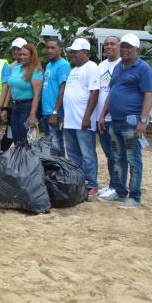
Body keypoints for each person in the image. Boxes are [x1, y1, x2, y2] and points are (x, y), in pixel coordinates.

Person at [98, 34, 152, 209]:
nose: (124, 50)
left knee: (133, 159)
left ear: (137, 50)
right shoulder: (118, 67)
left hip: (132, 122)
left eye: (129, 47)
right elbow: (111, 92)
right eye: (123, 46)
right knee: (118, 158)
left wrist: (143, 121)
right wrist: (102, 115)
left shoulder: (143, 68)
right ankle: (121, 193)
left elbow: (148, 95)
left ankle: (135, 197)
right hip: (115, 121)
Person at [61, 38, 100, 196]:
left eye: (76, 52)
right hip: (70, 120)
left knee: (87, 153)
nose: (73, 55)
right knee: (73, 153)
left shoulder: (91, 67)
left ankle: (92, 184)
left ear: (85, 52)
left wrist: (87, 117)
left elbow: (94, 92)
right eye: (72, 52)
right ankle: (78, 181)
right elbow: (68, 95)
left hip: (82, 120)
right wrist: (64, 116)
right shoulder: (73, 70)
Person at [95, 36, 122, 197]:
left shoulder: (121, 65)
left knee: (116, 154)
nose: (109, 47)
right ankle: (112, 183)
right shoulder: (101, 65)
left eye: (112, 44)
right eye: (106, 44)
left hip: (113, 118)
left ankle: (116, 186)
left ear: (119, 46)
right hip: (101, 118)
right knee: (108, 153)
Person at [3, 43, 43, 144]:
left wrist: (32, 115)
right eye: (21, 54)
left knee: (26, 139)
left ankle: (27, 160)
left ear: (32, 55)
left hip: (28, 107)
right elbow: (10, 89)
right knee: (16, 138)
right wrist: (5, 107)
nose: (22, 57)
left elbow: (37, 95)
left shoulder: (36, 70)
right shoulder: (17, 68)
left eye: (25, 54)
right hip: (15, 106)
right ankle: (19, 159)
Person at [41, 37, 71, 157]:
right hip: (46, 112)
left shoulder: (63, 65)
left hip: (55, 114)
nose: (49, 50)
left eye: (53, 48)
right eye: (48, 47)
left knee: (56, 146)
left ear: (60, 49)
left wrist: (55, 112)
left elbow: (63, 90)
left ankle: (60, 173)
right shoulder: (49, 65)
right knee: (49, 147)